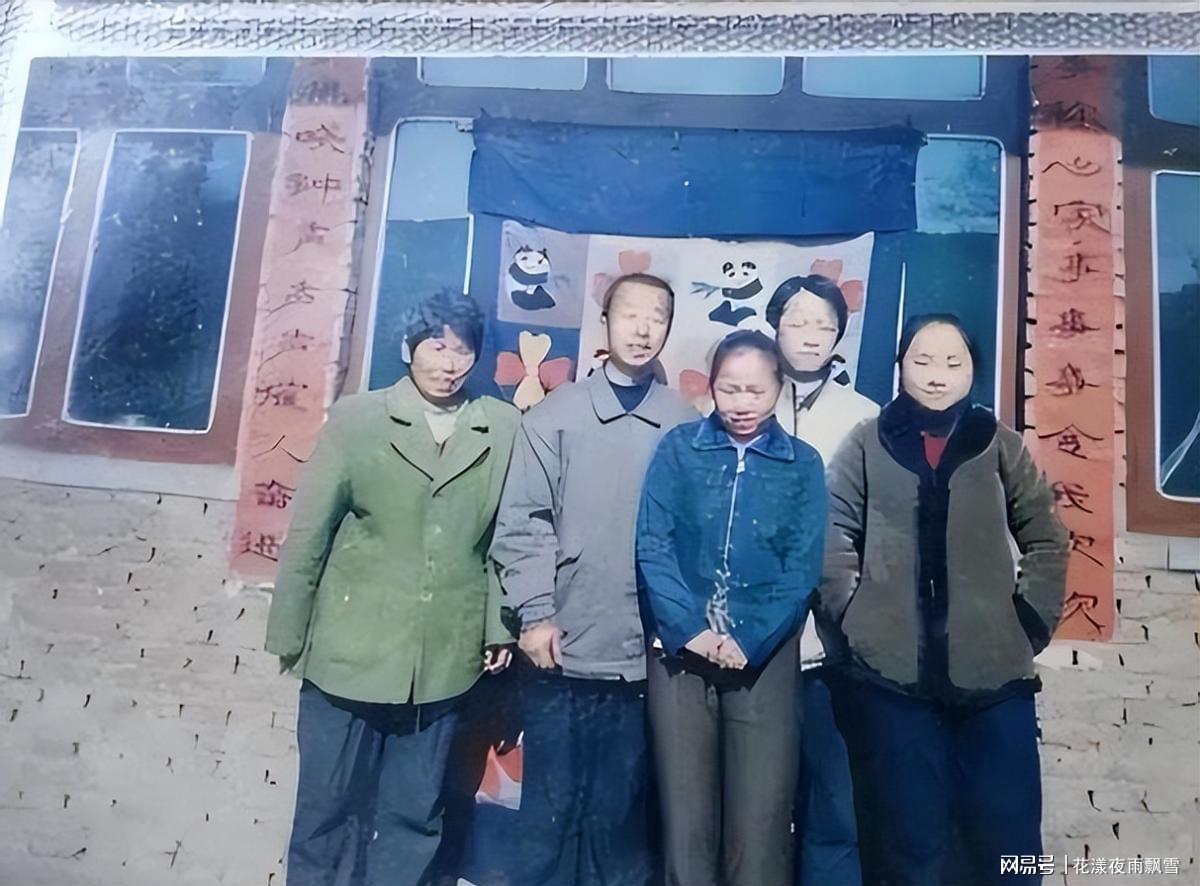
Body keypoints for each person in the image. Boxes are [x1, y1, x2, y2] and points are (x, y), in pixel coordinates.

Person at [264, 291, 520, 886]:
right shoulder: (358, 420)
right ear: (408, 348)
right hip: (349, 651)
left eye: (463, 350)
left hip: (443, 657)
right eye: (436, 346)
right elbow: (310, 533)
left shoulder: (501, 426)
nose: (449, 364)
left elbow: (507, 535)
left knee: (415, 813)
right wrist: (291, 635)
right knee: (328, 808)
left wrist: (498, 626)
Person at [820, 314, 1069, 886]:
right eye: (922, 361)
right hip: (894, 682)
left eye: (953, 363)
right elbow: (832, 535)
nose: (937, 375)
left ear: (973, 370)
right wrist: (855, 617)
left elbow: (1046, 536)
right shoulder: (867, 441)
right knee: (912, 844)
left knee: (1010, 841)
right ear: (900, 366)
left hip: (995, 681)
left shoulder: (998, 442)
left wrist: (1029, 621)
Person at [474, 273, 695, 886]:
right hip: (560, 649)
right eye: (629, 314)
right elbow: (523, 523)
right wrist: (535, 615)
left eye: (656, 317)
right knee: (549, 813)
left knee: (619, 818)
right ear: (604, 322)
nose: (642, 329)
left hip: (642, 655)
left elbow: (694, 537)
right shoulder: (557, 415)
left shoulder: (683, 424)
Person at [637, 329, 826, 886]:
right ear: (711, 387)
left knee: (759, 823)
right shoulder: (679, 449)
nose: (742, 403)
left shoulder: (802, 463)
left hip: (763, 659)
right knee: (685, 819)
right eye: (729, 389)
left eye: (756, 391)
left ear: (779, 388)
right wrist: (687, 628)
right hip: (680, 653)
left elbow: (801, 567)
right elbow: (654, 543)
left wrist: (750, 638)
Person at [765, 274, 878, 886]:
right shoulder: (741, 400)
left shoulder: (864, 418)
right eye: (797, 322)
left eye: (824, 326)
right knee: (755, 798)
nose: (810, 337)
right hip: (751, 640)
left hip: (831, 645)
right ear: (773, 326)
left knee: (834, 798)